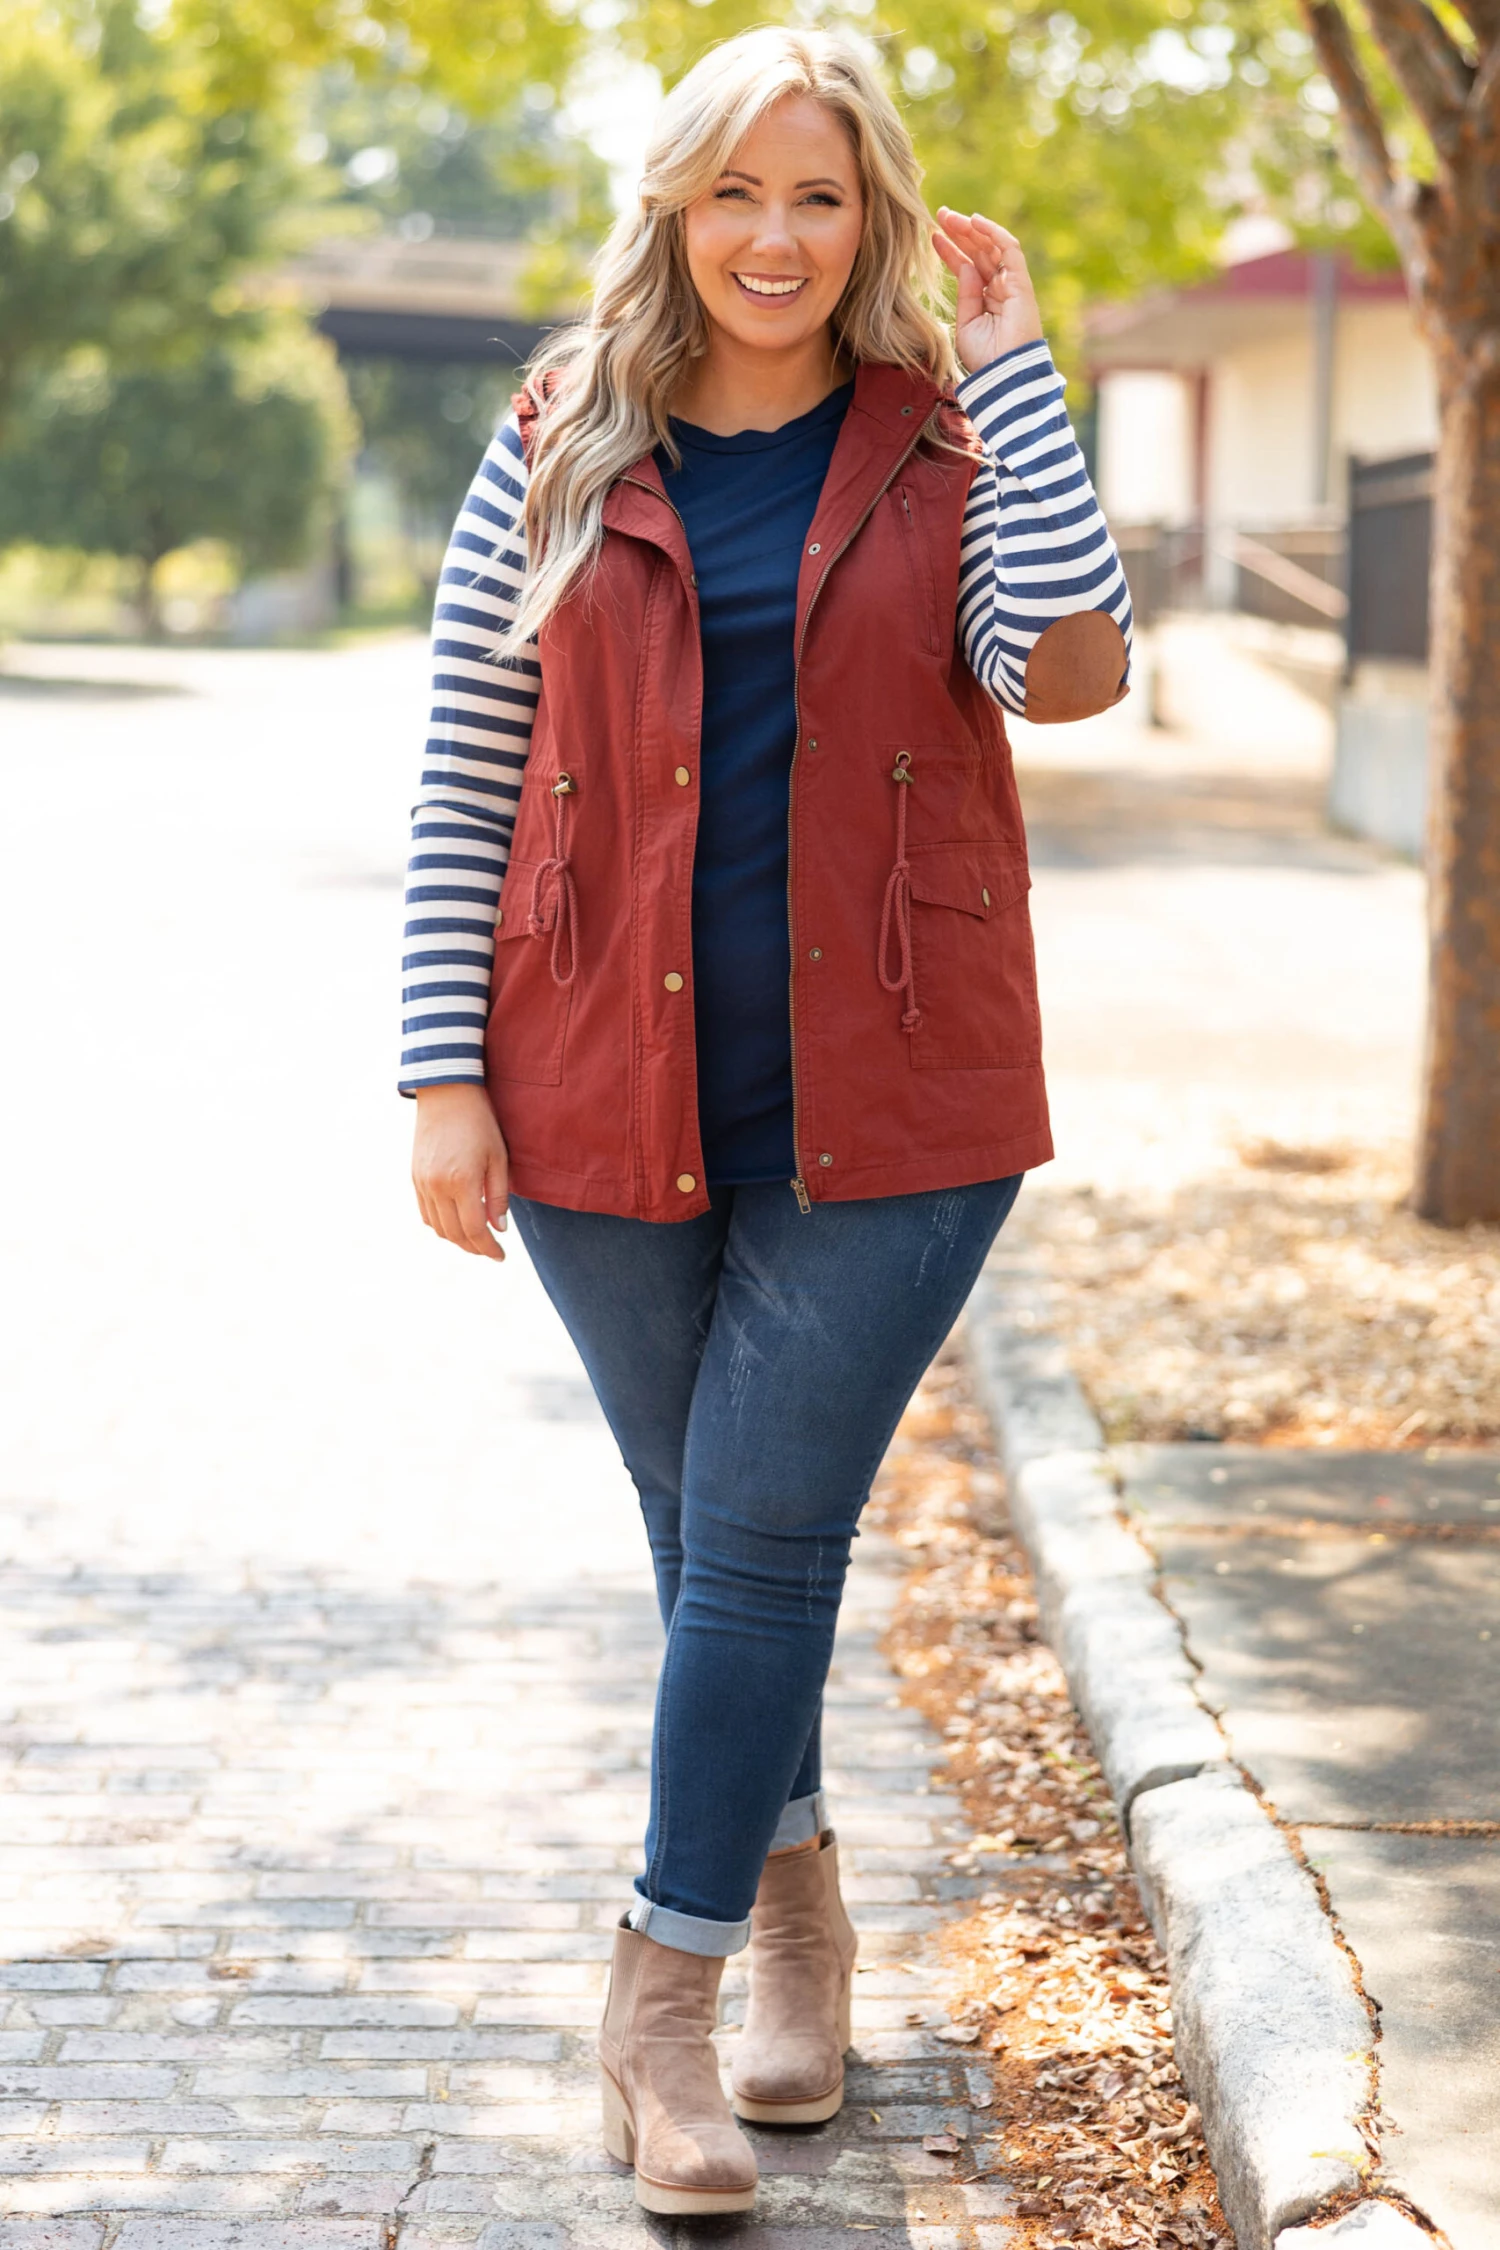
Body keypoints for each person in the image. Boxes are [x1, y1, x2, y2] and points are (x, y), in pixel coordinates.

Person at [401, 23, 1130, 2218]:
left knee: (762, 1535)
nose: (777, 239)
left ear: (876, 211)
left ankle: (659, 2006)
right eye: (736, 193)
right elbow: (464, 766)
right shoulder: (557, 434)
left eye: (820, 196)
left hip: (901, 1101)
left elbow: (1071, 669)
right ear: (674, 208)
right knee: (717, 1531)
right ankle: (799, 1918)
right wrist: (440, 1073)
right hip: (596, 1086)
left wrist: (1014, 363)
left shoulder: (943, 440)